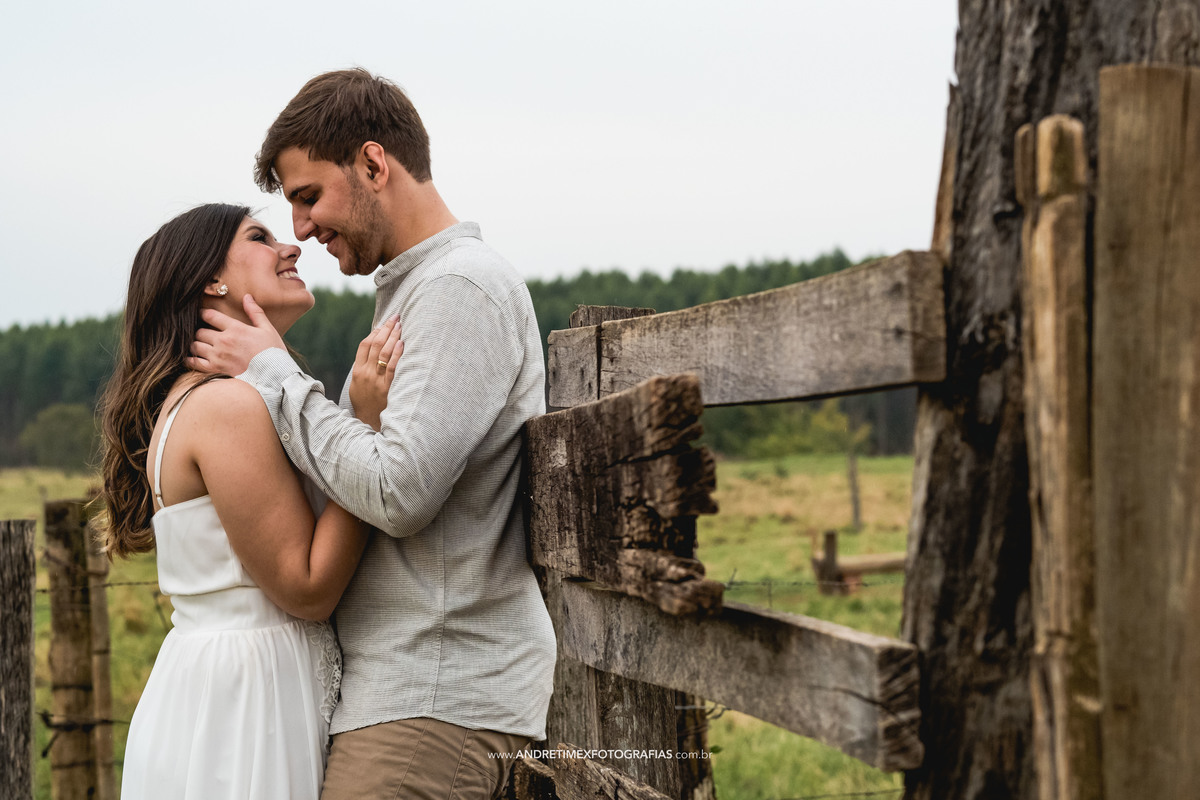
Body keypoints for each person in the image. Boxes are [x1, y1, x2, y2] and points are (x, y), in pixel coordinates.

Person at [187, 68, 557, 800]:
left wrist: (276, 376)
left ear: (373, 164)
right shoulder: (416, 291)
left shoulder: (460, 288)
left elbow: (397, 491)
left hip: (436, 699)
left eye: (307, 197)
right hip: (408, 696)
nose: (300, 229)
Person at [98, 203, 403, 799]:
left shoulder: (205, 401)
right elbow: (308, 586)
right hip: (248, 707)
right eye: (260, 238)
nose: (291, 246)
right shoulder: (226, 408)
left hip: (214, 689)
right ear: (211, 281)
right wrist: (364, 426)